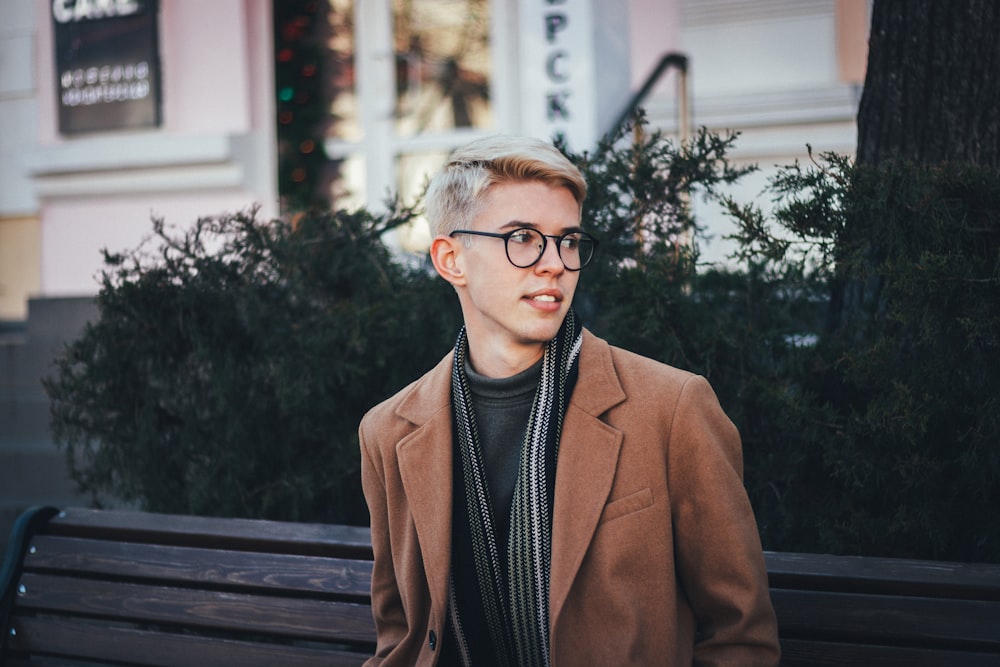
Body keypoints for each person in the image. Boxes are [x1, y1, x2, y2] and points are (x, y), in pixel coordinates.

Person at [358, 135, 780, 666]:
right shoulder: (389, 431)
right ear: (451, 259)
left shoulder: (670, 408)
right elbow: (400, 636)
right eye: (523, 238)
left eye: (568, 240)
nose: (554, 263)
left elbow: (741, 635)